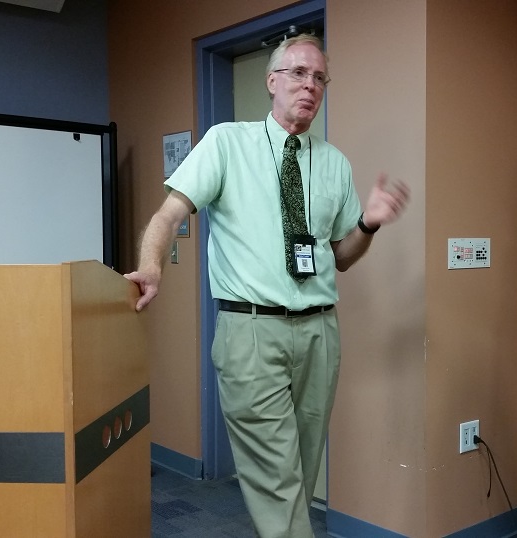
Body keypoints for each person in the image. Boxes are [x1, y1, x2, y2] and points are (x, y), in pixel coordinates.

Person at [125, 34, 409, 538]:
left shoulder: (334, 163)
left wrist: (368, 224)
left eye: (319, 77)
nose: (310, 85)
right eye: (299, 73)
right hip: (251, 332)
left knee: (298, 468)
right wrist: (151, 265)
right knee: (277, 482)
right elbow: (169, 214)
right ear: (272, 81)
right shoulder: (226, 142)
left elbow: (341, 257)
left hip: (320, 333)